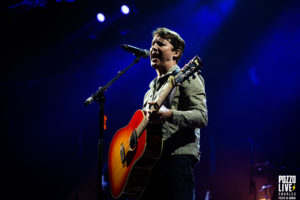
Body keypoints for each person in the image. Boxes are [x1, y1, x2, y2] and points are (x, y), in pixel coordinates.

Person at [140, 27, 208, 200]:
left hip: (178, 161)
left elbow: (202, 116)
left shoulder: (188, 77)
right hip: (151, 164)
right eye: (152, 44)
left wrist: (170, 114)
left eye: (160, 44)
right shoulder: (149, 92)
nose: (153, 48)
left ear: (176, 53)